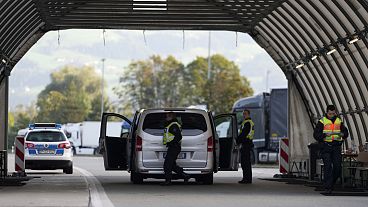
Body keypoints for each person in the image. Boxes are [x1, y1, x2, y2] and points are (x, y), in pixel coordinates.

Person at [313, 104, 349, 194]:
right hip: (326, 147)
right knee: (327, 167)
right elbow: (316, 135)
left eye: (333, 113)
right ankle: (328, 187)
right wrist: (324, 135)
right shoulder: (322, 122)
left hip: (336, 147)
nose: (331, 115)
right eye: (330, 114)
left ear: (335, 112)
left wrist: (343, 134)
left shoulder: (339, 121)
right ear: (327, 112)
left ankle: (331, 183)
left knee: (337, 167)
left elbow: (346, 132)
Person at [161, 112, 190, 186]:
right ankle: (185, 175)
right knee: (172, 165)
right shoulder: (171, 124)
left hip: (174, 147)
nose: (166, 118)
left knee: (167, 165)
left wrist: (172, 143)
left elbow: (178, 136)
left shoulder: (173, 125)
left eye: (167, 116)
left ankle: (168, 181)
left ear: (171, 117)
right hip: (173, 147)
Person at [237, 109, 255, 184]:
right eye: (243, 114)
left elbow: (243, 134)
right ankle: (247, 179)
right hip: (247, 144)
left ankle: (246, 179)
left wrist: (237, 140)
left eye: (245, 114)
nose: (244, 115)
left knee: (245, 163)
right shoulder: (247, 122)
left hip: (246, 144)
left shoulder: (247, 123)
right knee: (246, 163)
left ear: (248, 114)